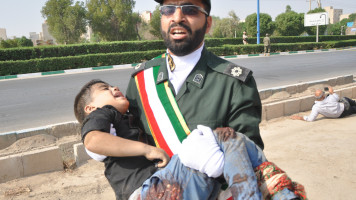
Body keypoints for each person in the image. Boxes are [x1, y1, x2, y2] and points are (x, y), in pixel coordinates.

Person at [74, 79, 305, 200]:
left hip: (169, 188)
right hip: (146, 192)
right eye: (105, 88)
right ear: (90, 107)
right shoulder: (103, 115)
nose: (114, 87)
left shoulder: (126, 118)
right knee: (211, 138)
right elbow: (93, 141)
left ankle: (280, 195)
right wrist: (147, 150)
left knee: (233, 139)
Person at [126, 0, 264, 198]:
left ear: (207, 24)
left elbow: (250, 157)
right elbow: (129, 149)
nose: (177, 17)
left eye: (190, 9)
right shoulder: (141, 79)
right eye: (168, 10)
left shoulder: (235, 83)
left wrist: (218, 166)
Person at [291, 86, 356, 121]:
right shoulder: (331, 98)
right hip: (344, 108)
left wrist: (299, 118)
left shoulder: (316, 107)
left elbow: (310, 119)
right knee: (345, 98)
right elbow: (337, 97)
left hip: (339, 116)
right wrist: (331, 92)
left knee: (353, 109)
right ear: (323, 96)